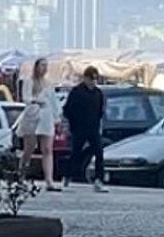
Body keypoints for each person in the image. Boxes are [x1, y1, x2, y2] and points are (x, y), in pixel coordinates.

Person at [17, 57, 59, 191]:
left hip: (47, 117)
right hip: (33, 116)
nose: (44, 68)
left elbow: (53, 101)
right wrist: (37, 100)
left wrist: (56, 118)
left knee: (47, 149)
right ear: (36, 67)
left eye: (46, 66)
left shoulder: (49, 84)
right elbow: (26, 98)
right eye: (42, 65)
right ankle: (21, 175)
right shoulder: (29, 81)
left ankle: (49, 180)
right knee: (29, 149)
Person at [63, 65, 107, 187]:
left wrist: (98, 124)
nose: (93, 82)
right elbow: (68, 110)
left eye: (95, 79)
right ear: (85, 78)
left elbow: (100, 111)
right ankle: (67, 175)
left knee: (99, 152)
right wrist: (73, 124)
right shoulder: (77, 92)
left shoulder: (98, 93)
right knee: (75, 153)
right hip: (79, 128)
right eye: (91, 79)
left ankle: (99, 179)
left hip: (93, 128)